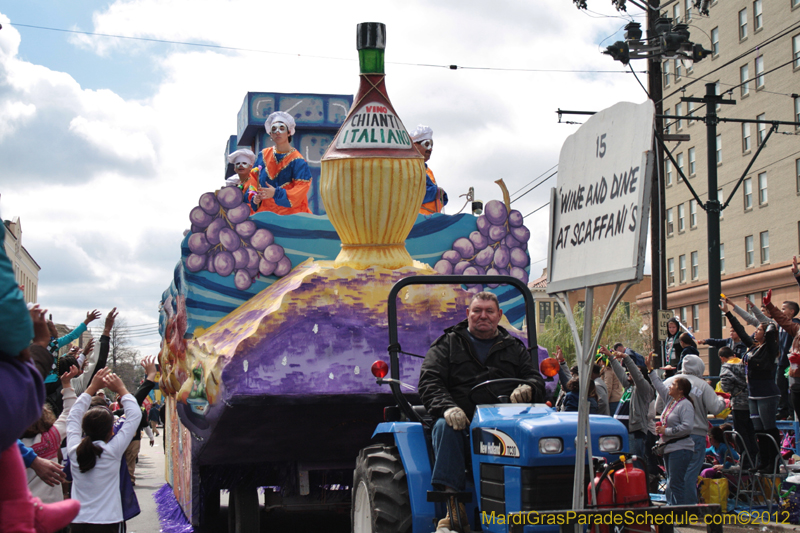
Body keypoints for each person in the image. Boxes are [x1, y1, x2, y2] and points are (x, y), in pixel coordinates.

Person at [418, 291, 544, 531]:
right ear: (468, 314)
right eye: (477, 311)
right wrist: (448, 407)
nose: (482, 315)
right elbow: (429, 382)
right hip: (462, 427)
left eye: (489, 311)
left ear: (499, 315)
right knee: (445, 426)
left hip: (504, 425)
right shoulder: (448, 344)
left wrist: (528, 387)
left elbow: (534, 379)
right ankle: (454, 510)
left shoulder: (514, 348)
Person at [67, 368, 141, 532]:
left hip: (78, 521)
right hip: (109, 521)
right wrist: (121, 389)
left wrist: (91, 388)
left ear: (84, 429)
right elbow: (135, 415)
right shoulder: (112, 451)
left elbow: (73, 416)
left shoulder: (74, 451)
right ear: (111, 431)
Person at [657, 353, 726, 503]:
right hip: (695, 436)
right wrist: (722, 400)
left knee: (672, 476)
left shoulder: (670, 381)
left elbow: (658, 407)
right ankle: (688, 508)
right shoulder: (702, 385)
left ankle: (673, 507)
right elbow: (716, 408)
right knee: (689, 474)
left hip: (669, 437)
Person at [723, 297, 781, 472]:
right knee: (758, 430)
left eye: (759, 329)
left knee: (769, 428)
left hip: (766, 392)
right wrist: (728, 313)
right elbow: (741, 332)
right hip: (752, 393)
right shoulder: (753, 347)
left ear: (766, 333)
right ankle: (763, 461)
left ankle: (774, 462)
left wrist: (758, 308)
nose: (756, 332)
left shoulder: (769, 348)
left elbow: (770, 323)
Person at [647, 355, 695, 506]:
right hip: (669, 448)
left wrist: (666, 431)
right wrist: (650, 370)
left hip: (681, 448)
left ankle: (680, 514)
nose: (669, 387)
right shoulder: (671, 402)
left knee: (675, 482)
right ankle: (671, 511)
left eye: (673, 384)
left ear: (680, 390)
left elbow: (687, 427)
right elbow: (659, 386)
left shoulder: (685, 405)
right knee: (670, 481)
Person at [243, 111, 312, 215]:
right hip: (264, 216)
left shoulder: (298, 161)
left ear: (289, 132)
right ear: (270, 134)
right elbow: (252, 179)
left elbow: (301, 190)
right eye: (274, 129)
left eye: (281, 128)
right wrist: (253, 197)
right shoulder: (263, 155)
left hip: (290, 217)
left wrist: (276, 193)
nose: (277, 132)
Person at [601, 345, 655, 467]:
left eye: (634, 372)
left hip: (633, 433)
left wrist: (626, 357)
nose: (629, 373)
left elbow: (637, 377)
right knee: (622, 467)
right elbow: (621, 374)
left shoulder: (644, 390)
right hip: (621, 432)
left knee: (634, 466)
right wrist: (611, 357)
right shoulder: (629, 387)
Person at [717, 346, 757, 465]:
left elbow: (726, 386)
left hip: (738, 404)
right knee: (752, 433)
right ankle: (755, 458)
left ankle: (746, 460)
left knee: (741, 434)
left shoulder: (726, 367)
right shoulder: (745, 363)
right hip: (752, 402)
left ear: (722, 358)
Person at [409, 125, 448, 215]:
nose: (430, 149)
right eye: (426, 144)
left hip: (430, 221)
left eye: (431, 145)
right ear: (415, 146)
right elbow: (412, 194)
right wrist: (436, 192)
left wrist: (442, 197)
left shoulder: (428, 170)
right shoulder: (409, 168)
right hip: (415, 221)